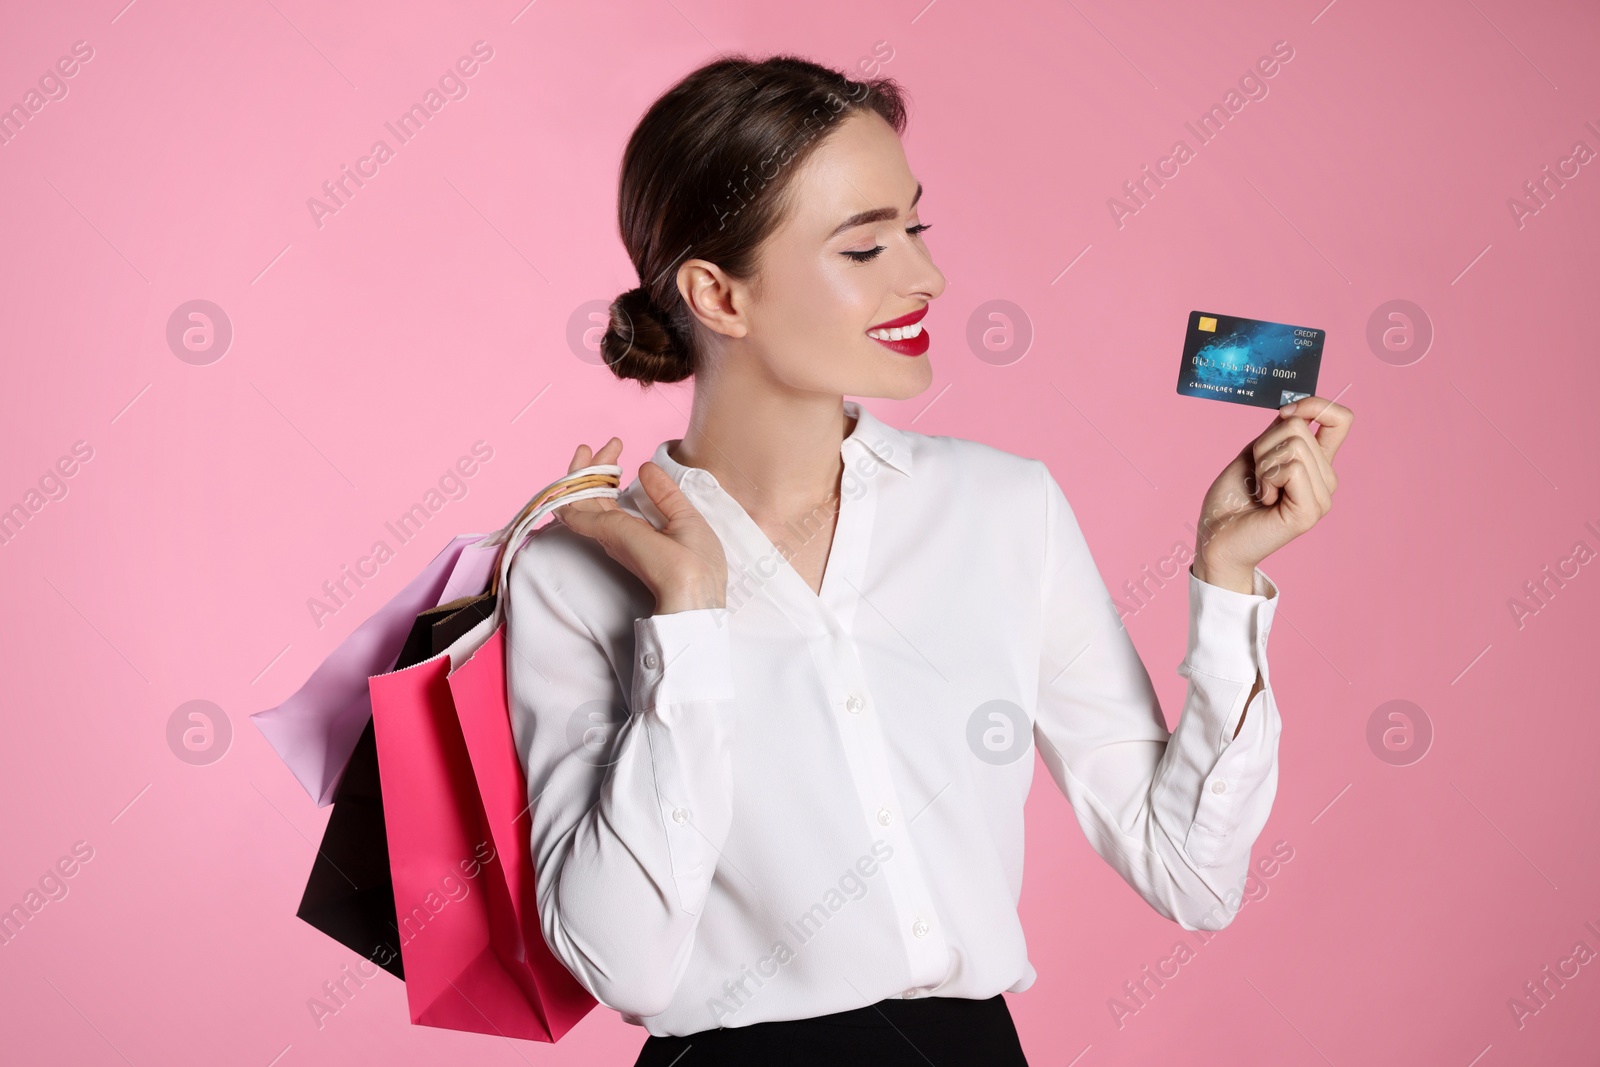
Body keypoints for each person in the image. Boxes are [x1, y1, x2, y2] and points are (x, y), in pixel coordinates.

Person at [502, 54, 1352, 1066]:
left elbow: (1189, 874)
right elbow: (623, 963)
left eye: (915, 228)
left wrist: (1223, 578)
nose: (926, 277)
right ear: (716, 295)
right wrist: (685, 620)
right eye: (864, 248)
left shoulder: (1004, 508)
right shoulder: (573, 575)